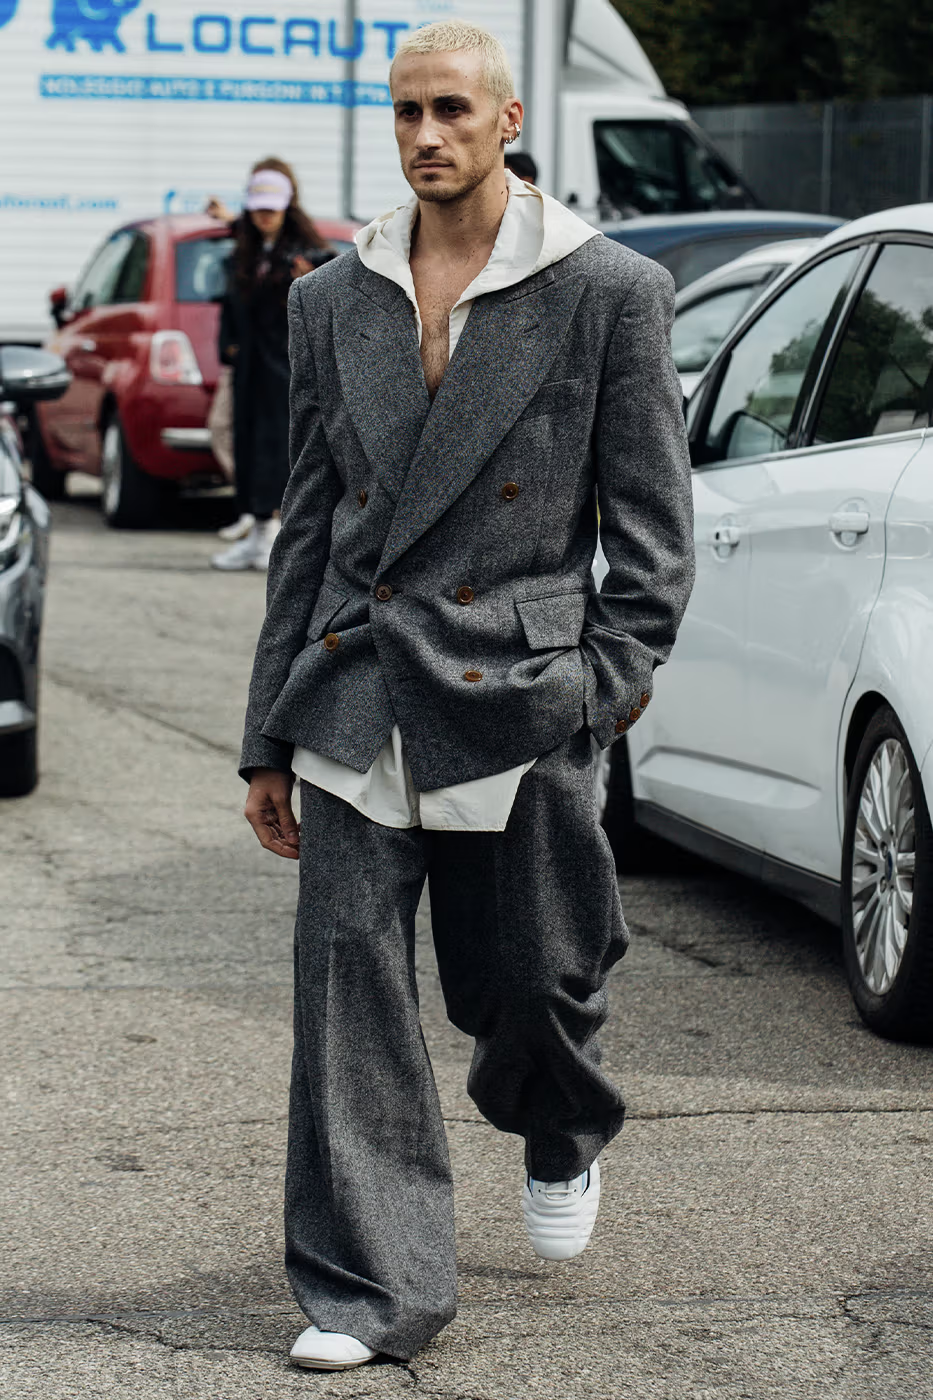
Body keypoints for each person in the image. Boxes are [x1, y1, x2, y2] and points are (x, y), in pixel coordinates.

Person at [239, 20, 694, 1373]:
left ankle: (557, 1128)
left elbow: (653, 531)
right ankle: (372, 1291)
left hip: (522, 687)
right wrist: (268, 732)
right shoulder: (331, 299)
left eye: (448, 109)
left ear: (505, 120)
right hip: (358, 686)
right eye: (403, 114)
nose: (423, 135)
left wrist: (594, 691)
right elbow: (308, 529)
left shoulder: (606, 288)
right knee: (348, 991)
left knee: (538, 984)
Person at [211, 159, 333, 571]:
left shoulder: (305, 253)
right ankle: (255, 531)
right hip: (249, 366)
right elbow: (230, 304)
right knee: (245, 443)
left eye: (272, 208)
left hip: (285, 366)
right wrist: (227, 347)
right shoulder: (246, 249)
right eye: (258, 208)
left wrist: (308, 276)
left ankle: (272, 538)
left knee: (275, 447)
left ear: (286, 207)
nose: (265, 216)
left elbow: (329, 289)